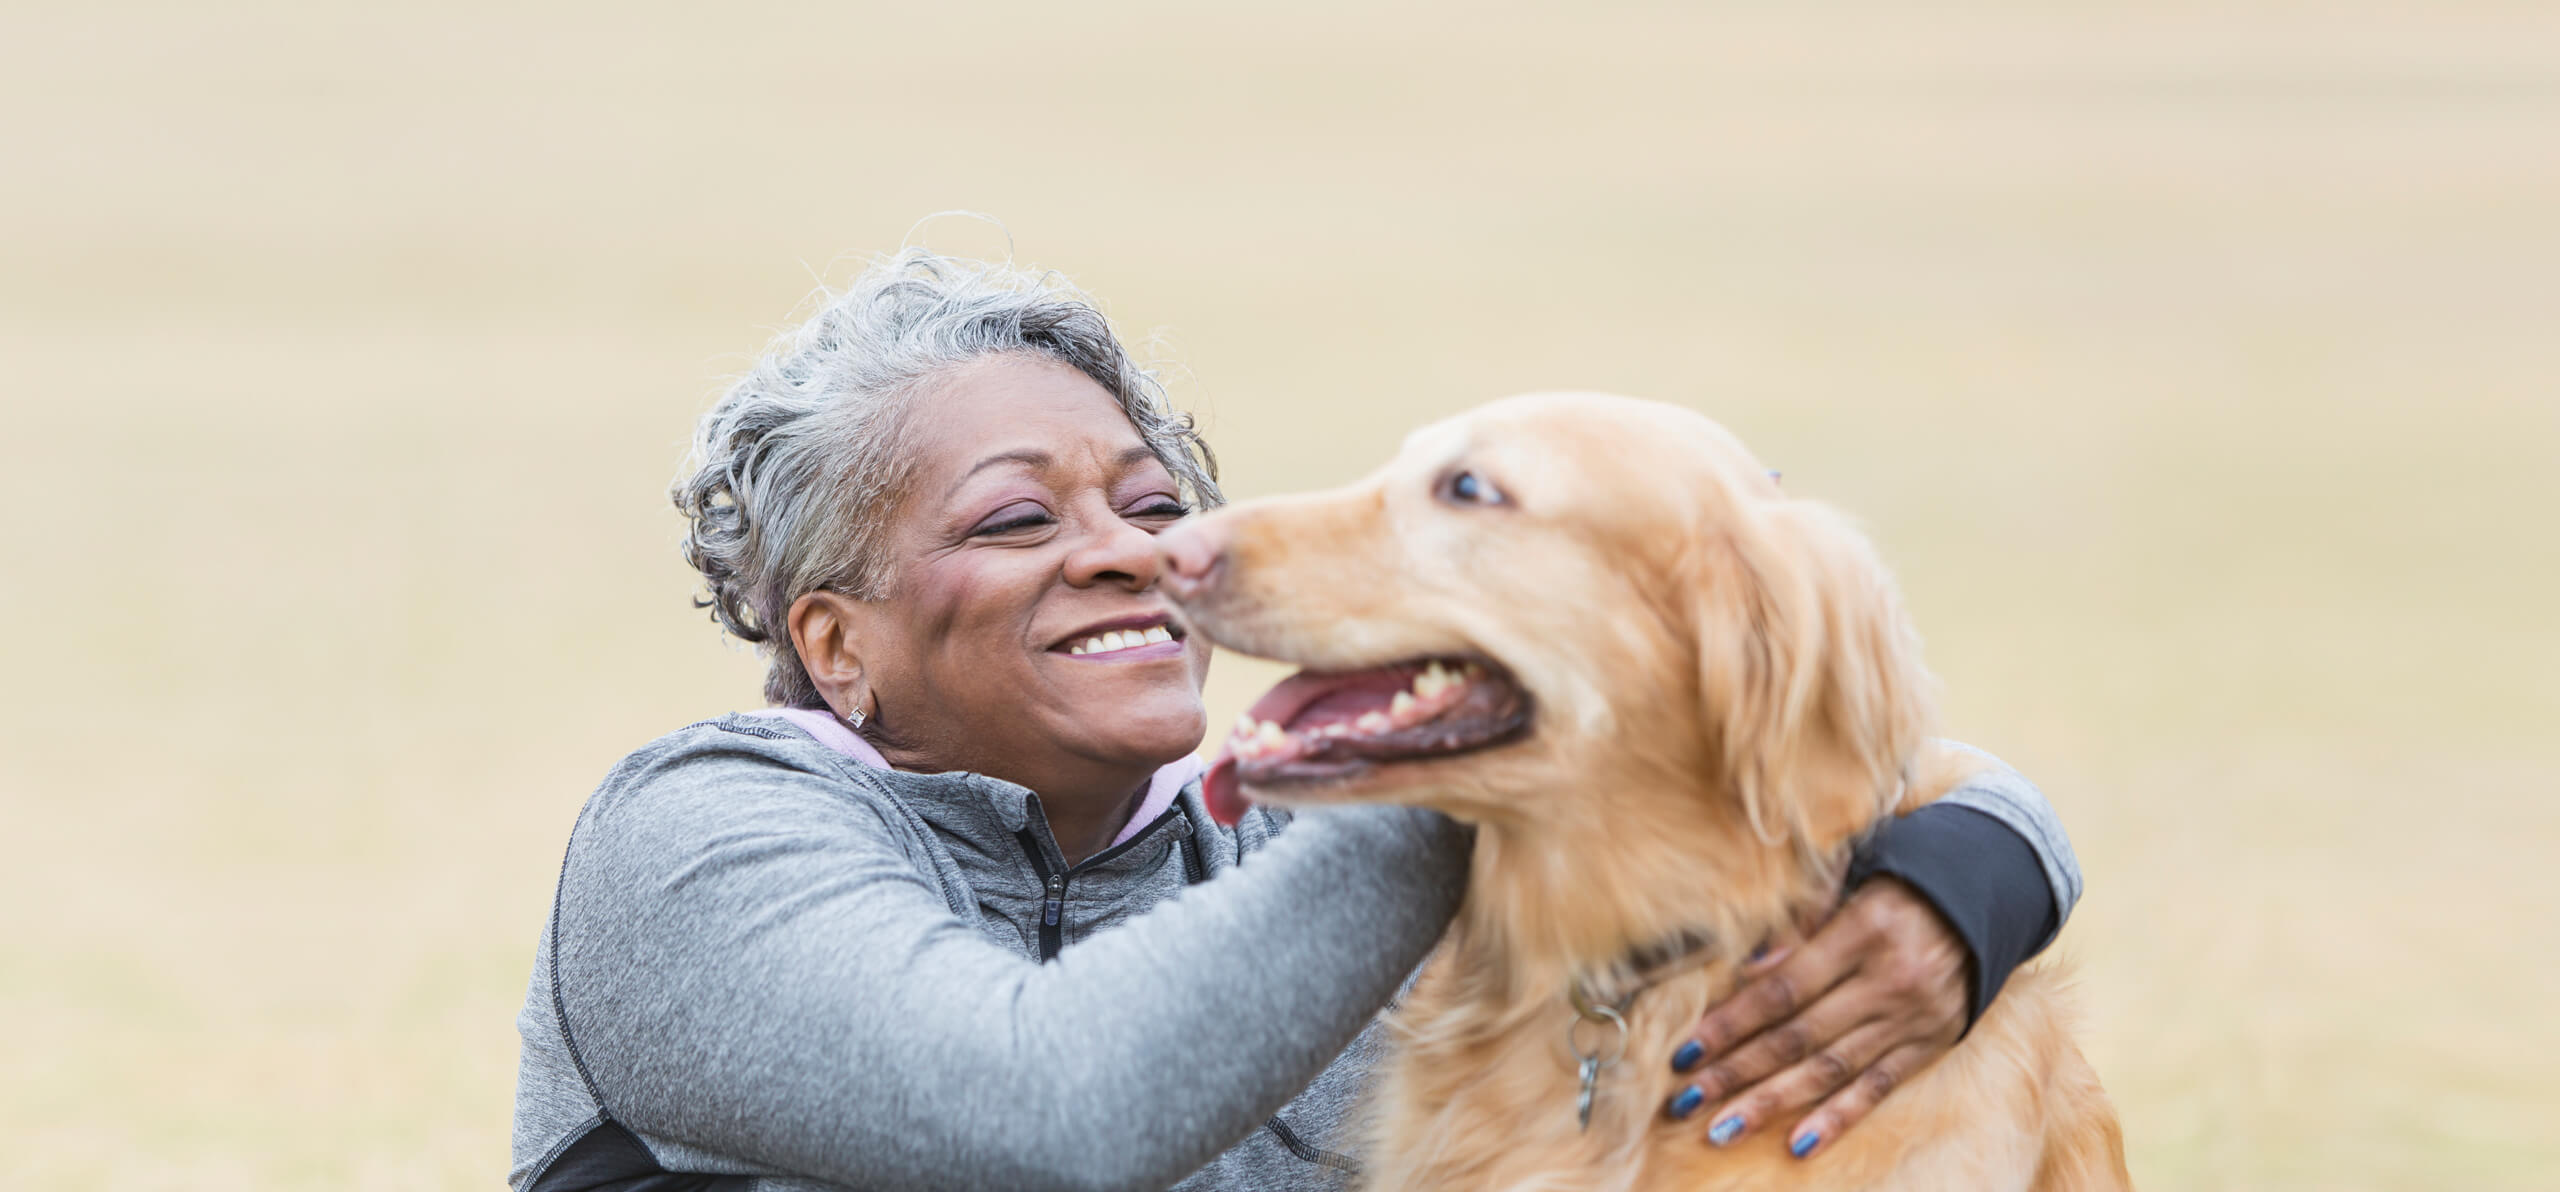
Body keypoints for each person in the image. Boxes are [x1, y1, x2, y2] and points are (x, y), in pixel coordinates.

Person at [508, 250, 2083, 1191]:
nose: (1136, 550)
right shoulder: (701, 841)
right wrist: (1464, 754)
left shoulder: (1291, 818)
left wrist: (1979, 868)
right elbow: (1055, 1112)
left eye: (1149, 498)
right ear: (835, 642)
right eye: (1012, 521)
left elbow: (1777, 732)